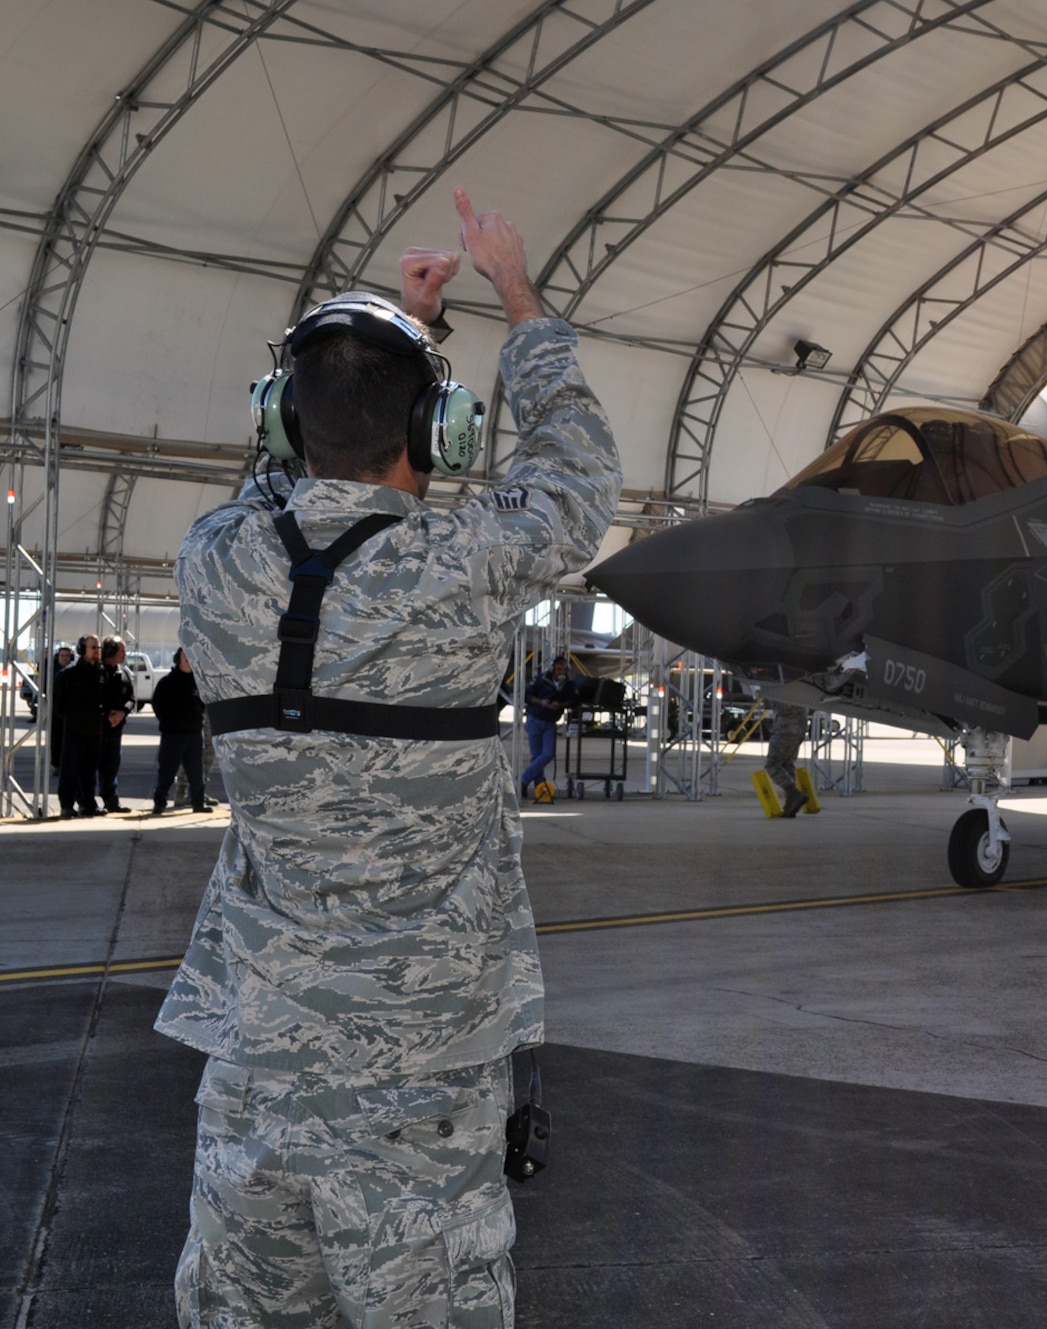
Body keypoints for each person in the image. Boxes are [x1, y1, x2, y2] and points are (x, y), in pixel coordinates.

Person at [157, 188, 619, 1328]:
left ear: (278, 422)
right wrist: (512, 296)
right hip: (420, 1085)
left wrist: (383, 342)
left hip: (256, 1070)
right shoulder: (468, 565)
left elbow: (287, 485)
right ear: (435, 439)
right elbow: (575, 471)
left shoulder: (213, 561)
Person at [151, 648, 207, 814]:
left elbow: (203, 704)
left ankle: (198, 803)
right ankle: (160, 802)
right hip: (173, 735)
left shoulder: (198, 682)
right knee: (167, 772)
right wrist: (168, 722)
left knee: (196, 773)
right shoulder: (167, 682)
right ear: (178, 658)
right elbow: (157, 705)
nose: (188, 659)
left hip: (194, 734)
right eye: (185, 655)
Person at [53, 635, 103, 818]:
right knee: (70, 771)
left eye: (98, 647)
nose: (97, 651)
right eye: (93, 647)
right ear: (82, 650)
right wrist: (72, 719)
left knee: (89, 772)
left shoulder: (101, 672)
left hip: (94, 731)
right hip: (74, 731)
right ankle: (66, 805)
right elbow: (58, 704)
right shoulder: (68, 674)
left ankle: (88, 804)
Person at [518, 658, 575, 797]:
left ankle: (523, 780)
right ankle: (539, 785)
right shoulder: (540, 679)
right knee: (537, 756)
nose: (561, 672)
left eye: (563, 669)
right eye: (558, 669)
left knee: (548, 754)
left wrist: (560, 705)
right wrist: (541, 702)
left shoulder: (567, 684)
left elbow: (573, 700)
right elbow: (526, 695)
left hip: (550, 722)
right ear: (552, 669)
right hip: (535, 719)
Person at [98, 636, 136, 812]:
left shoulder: (125, 673)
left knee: (112, 767)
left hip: (116, 728)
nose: (125, 654)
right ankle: (87, 803)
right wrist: (106, 715)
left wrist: (122, 713)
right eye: (122, 650)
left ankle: (112, 802)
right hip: (97, 728)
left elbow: (132, 698)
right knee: (91, 768)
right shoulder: (97, 672)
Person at [762, 700, 811, 818]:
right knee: (787, 764)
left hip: (786, 728)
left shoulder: (789, 688)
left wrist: (768, 699)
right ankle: (791, 803)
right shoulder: (802, 687)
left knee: (772, 764)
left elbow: (784, 705)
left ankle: (792, 792)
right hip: (798, 728)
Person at [47, 643, 74, 770]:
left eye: (67, 656)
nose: (64, 658)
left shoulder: (74, 671)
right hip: (56, 708)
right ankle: (57, 763)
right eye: (62, 655)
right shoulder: (52, 670)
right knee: (56, 737)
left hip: (71, 709)